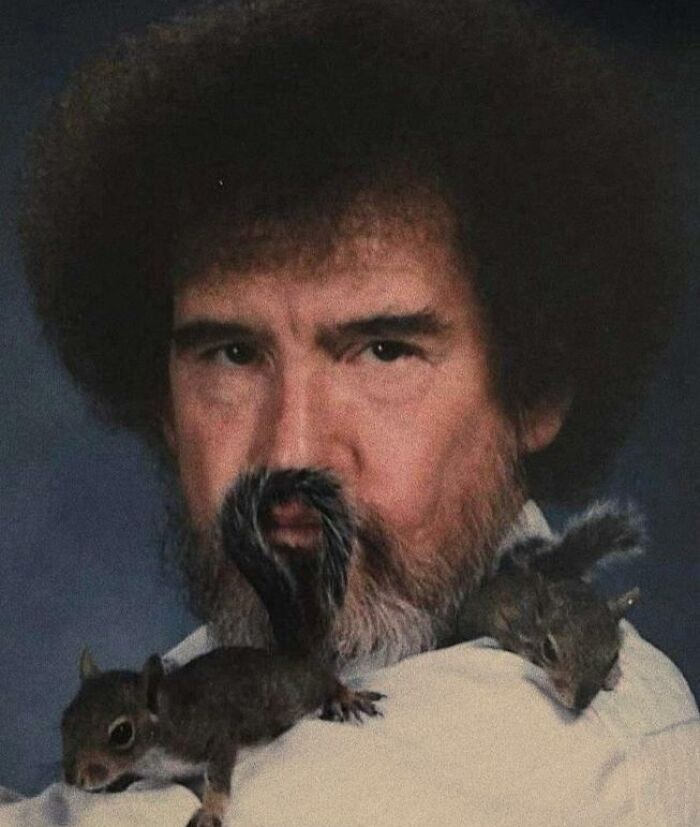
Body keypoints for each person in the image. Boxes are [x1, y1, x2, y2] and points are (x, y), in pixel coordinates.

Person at [5, 0, 698, 824]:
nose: (290, 451)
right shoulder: (228, 670)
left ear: (534, 392)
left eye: (383, 350)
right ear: (161, 404)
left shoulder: (545, 739)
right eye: (232, 353)